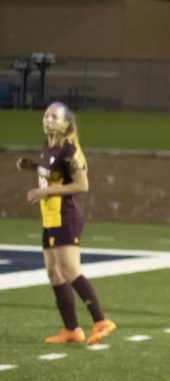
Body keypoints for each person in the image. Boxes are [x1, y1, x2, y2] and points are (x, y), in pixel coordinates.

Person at [16, 101, 116, 345]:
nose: (48, 121)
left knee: (69, 270)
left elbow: (82, 185)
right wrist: (32, 166)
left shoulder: (70, 149)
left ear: (66, 124)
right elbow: (53, 173)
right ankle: (71, 329)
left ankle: (101, 321)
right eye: (46, 116)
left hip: (65, 216)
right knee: (53, 273)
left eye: (54, 117)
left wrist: (43, 191)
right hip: (50, 217)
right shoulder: (49, 148)